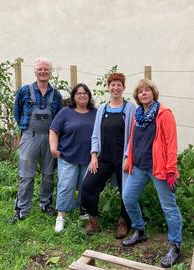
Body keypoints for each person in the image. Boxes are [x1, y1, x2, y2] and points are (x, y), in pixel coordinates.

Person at [121, 79, 183, 268]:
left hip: (159, 169)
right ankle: (139, 230)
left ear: (153, 93)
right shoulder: (137, 115)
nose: (144, 93)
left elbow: (171, 143)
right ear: (137, 96)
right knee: (128, 197)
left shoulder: (164, 114)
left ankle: (175, 245)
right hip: (139, 166)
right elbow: (133, 139)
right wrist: (128, 158)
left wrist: (172, 170)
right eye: (140, 91)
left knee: (169, 207)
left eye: (147, 90)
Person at [80, 72, 135, 239]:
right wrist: (94, 155)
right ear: (108, 87)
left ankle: (123, 222)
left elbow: (133, 135)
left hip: (123, 159)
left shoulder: (130, 108)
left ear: (123, 88)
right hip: (103, 157)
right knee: (88, 185)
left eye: (119, 85)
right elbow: (96, 133)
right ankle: (93, 219)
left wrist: (128, 157)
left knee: (126, 191)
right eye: (113, 85)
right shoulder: (102, 108)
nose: (116, 88)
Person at [9, 58, 62, 224]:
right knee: (26, 175)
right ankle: (21, 209)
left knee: (48, 174)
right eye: (40, 69)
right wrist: (26, 130)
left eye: (46, 69)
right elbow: (17, 113)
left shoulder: (56, 94)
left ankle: (45, 204)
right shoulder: (24, 91)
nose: (43, 72)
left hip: (50, 137)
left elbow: (59, 117)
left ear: (50, 72)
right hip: (30, 136)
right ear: (35, 71)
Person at [49, 83, 97, 233]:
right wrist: (53, 148)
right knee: (66, 185)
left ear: (89, 96)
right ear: (74, 97)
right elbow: (53, 130)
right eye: (78, 93)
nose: (82, 95)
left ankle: (83, 211)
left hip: (88, 158)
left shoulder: (95, 113)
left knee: (86, 186)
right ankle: (61, 216)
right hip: (68, 156)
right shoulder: (65, 112)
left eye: (85, 93)